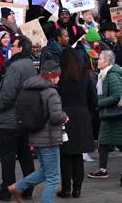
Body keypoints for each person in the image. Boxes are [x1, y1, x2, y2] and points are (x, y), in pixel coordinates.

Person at [8, 59, 68, 203]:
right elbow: (55, 117)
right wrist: (64, 117)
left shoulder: (29, 87)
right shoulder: (51, 92)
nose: (59, 78)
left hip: (35, 136)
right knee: (53, 178)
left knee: (45, 171)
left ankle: (17, 187)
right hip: (49, 138)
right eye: (58, 75)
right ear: (52, 76)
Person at [0, 35, 37, 201]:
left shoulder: (14, 67)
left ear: (20, 48)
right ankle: (28, 188)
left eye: (14, 45)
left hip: (10, 120)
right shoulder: (30, 65)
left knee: (8, 158)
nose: (11, 47)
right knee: (25, 155)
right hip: (25, 119)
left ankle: (7, 191)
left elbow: (8, 93)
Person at [57, 48, 97, 198]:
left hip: (64, 116)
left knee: (66, 154)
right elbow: (93, 99)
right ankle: (77, 189)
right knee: (78, 155)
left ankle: (66, 188)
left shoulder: (61, 76)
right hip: (82, 115)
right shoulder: (85, 75)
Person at [87, 50, 122, 187]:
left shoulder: (111, 75)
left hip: (114, 115)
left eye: (100, 59)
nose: (98, 61)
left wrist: (98, 104)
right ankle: (102, 169)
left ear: (107, 62)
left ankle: (102, 170)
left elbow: (117, 96)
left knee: (110, 142)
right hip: (110, 115)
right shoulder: (104, 74)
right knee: (104, 142)